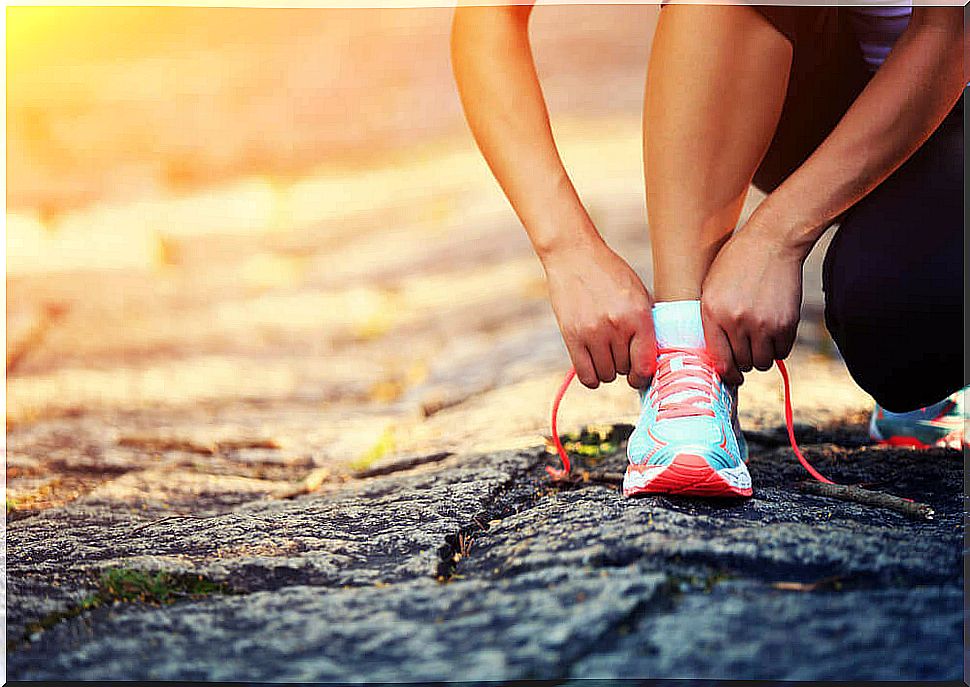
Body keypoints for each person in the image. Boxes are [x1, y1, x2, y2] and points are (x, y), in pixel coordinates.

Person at [450, 3, 966, 497]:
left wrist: (776, 238)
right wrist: (567, 251)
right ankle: (688, 349)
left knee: (900, 318)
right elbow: (488, 14)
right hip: (831, 80)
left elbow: (947, 31)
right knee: (891, 310)